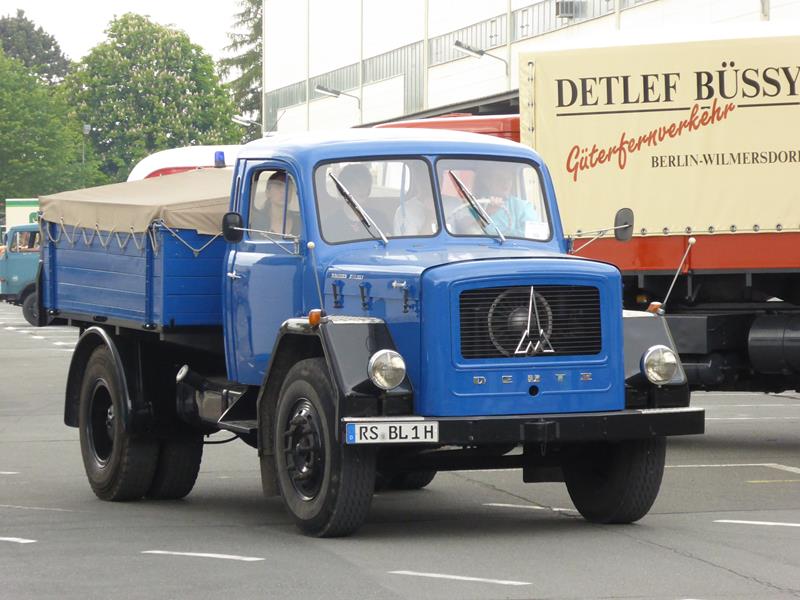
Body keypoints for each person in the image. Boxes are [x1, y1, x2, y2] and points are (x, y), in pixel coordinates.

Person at [250, 171, 299, 238]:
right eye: (278, 186)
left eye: (288, 187)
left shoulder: (300, 222)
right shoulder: (256, 222)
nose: (284, 191)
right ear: (268, 192)